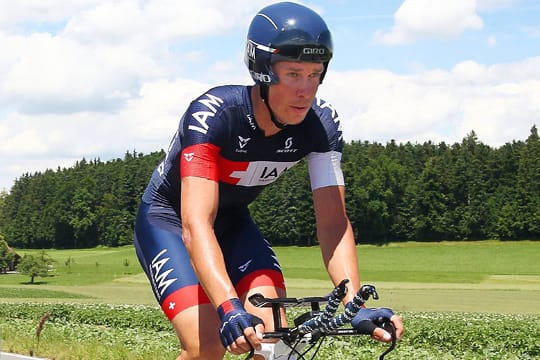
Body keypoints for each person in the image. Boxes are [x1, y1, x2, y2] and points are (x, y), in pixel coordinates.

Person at [134, 2, 404, 359]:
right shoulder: (214, 115)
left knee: (272, 337)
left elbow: (334, 224)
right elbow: (195, 223)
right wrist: (228, 306)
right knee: (207, 346)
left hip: (232, 224)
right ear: (263, 72)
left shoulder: (321, 125)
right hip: (168, 221)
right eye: (293, 74)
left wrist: (355, 304)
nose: (305, 89)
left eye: (314, 74)